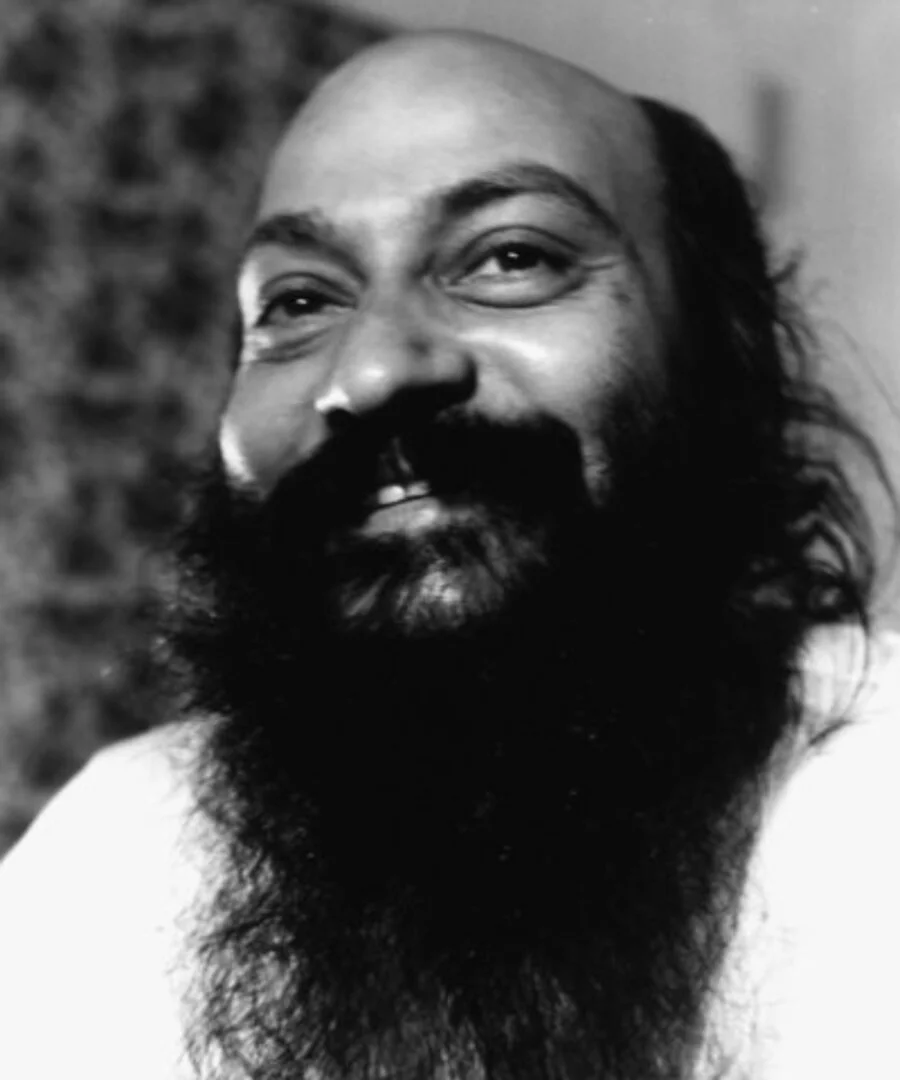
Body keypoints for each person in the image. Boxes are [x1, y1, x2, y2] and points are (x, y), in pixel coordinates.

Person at [0, 28, 897, 1080]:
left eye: (513, 258)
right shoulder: (111, 851)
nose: (372, 371)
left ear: (722, 360)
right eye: (299, 303)